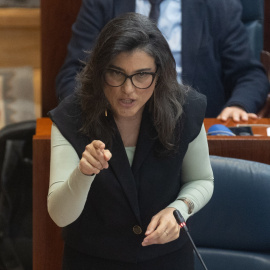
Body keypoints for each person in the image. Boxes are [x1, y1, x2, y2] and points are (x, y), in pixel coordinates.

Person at [48, 13, 214, 270]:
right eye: (116, 74)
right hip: (92, 260)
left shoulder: (185, 109)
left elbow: (201, 180)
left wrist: (179, 209)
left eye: (142, 75)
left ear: (159, 74)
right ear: (100, 71)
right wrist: (84, 172)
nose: (129, 90)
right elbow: (60, 215)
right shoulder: (72, 116)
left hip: (167, 260)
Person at [55, 0, 269, 122]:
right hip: (118, 129)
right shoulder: (103, 3)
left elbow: (249, 75)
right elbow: (74, 73)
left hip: (196, 131)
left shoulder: (217, 5)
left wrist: (238, 106)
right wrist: (94, 115)